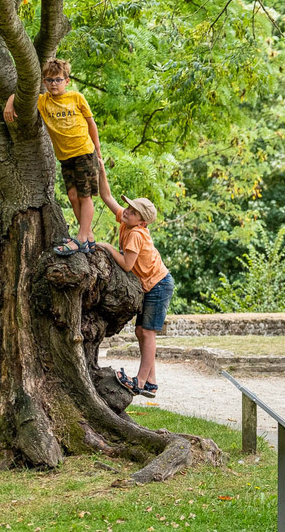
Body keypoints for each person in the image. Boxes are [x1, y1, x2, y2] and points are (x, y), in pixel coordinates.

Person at [4, 58, 102, 255]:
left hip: (84, 151)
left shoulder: (76, 98)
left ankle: (82, 238)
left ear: (66, 80)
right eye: (49, 80)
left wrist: (98, 153)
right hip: (65, 157)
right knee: (73, 196)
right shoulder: (43, 101)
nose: (53, 84)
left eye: (57, 80)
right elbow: (19, 94)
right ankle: (89, 236)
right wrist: (9, 104)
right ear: (43, 81)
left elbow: (92, 124)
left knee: (85, 195)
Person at [95, 157, 174, 397]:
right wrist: (101, 170)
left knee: (147, 332)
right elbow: (106, 197)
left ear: (142, 220)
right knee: (141, 331)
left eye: (133, 212)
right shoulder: (126, 223)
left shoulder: (136, 235)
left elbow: (127, 266)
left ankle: (139, 381)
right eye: (128, 208)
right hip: (152, 286)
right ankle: (150, 381)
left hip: (158, 284)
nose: (126, 212)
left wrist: (108, 247)